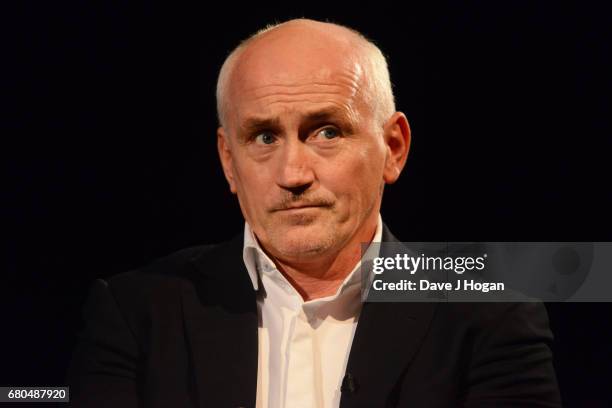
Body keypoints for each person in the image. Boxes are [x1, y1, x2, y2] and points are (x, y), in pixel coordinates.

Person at [68, 18, 561, 407]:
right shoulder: (134, 313)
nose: (293, 173)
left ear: (393, 147)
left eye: (326, 132)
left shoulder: (490, 317)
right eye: (264, 137)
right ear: (228, 163)